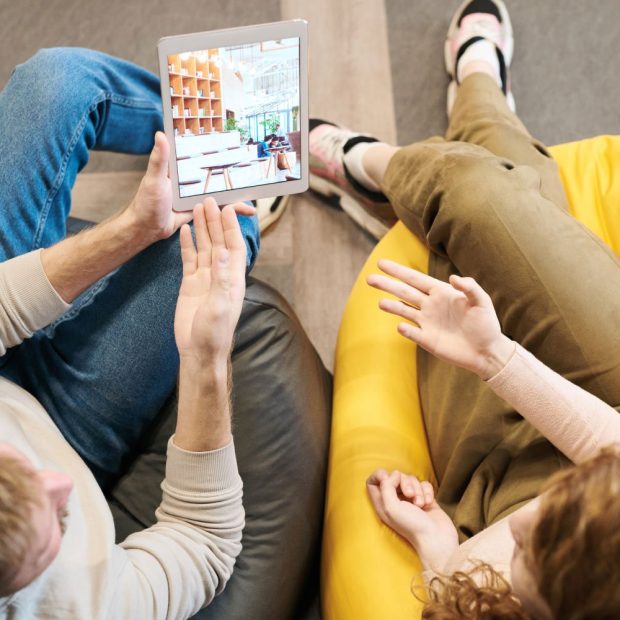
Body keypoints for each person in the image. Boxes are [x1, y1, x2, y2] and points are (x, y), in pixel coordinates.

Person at [308, 0, 620, 617]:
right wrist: (495, 355)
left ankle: (459, 100)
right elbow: (607, 441)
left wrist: (442, 550)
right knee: (482, 198)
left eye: (530, 554)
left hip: (500, 479)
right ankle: (390, 164)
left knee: (479, 195)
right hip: (607, 405)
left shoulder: (504, 558)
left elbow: (461, 582)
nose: (522, 531)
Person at [0, 47, 260, 617]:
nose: (61, 485)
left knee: (56, 81)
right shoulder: (82, 607)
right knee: (224, 226)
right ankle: (238, 162)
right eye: (57, 521)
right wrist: (206, 356)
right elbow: (204, 543)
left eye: (16, 467)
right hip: (70, 428)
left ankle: (205, 132)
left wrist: (132, 228)